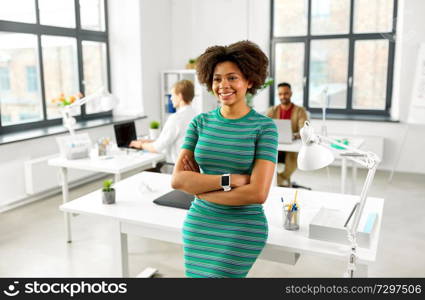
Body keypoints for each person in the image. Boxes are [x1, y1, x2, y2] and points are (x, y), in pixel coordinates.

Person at [171, 41, 278, 278]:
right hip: (200, 223)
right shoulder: (199, 123)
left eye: (232, 78)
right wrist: (231, 180)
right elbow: (178, 180)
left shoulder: (264, 127)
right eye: (217, 79)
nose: (223, 85)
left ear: (249, 81)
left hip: (242, 228)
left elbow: (257, 194)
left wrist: (200, 189)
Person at [129, 80, 197, 165]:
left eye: (172, 95)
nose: (171, 98)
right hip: (191, 166)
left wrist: (140, 145)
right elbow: (172, 139)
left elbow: (157, 147)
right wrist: (147, 142)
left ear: (179, 96)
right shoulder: (196, 115)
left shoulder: (175, 118)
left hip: (177, 167)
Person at [266, 82, 308, 187]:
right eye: (280, 94)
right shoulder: (272, 110)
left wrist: (293, 135)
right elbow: (264, 126)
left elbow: (304, 130)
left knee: (293, 156)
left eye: (286, 93)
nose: (283, 96)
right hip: (276, 145)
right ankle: (278, 181)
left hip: (290, 147)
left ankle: (278, 180)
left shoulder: (300, 111)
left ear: (291, 93)